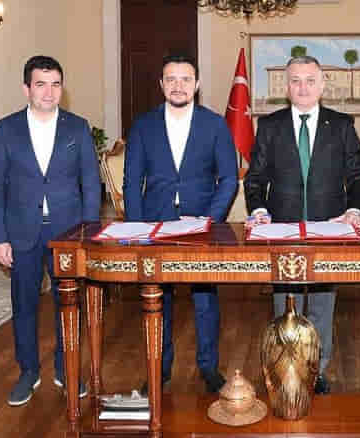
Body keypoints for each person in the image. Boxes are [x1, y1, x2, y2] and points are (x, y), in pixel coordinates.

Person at [244, 55, 360, 394]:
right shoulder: (269, 126)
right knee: (285, 306)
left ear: (322, 85)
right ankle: (285, 370)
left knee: (321, 306)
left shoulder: (341, 125)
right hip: (282, 230)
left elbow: (358, 176)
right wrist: (258, 209)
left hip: (328, 229)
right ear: (286, 87)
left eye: (310, 80)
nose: (303, 87)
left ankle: (317, 370)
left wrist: (355, 210)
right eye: (296, 81)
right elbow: (254, 179)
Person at [0, 55, 100, 406]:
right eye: (40, 84)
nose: (49, 92)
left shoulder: (77, 127)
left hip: (68, 232)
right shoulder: (6, 129)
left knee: (68, 304)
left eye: (55, 84)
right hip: (21, 232)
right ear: (27, 89)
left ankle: (67, 370)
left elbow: (90, 183)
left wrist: (87, 231)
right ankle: (28, 372)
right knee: (24, 304)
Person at [124, 54, 238, 394]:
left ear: (196, 84)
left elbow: (228, 179)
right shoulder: (143, 126)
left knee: (205, 300)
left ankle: (208, 367)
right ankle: (159, 369)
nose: (178, 86)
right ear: (161, 84)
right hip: (154, 225)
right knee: (158, 300)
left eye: (185, 79)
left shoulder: (214, 124)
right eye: (171, 79)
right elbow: (132, 182)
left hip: (200, 225)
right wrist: (136, 228)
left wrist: (209, 219)